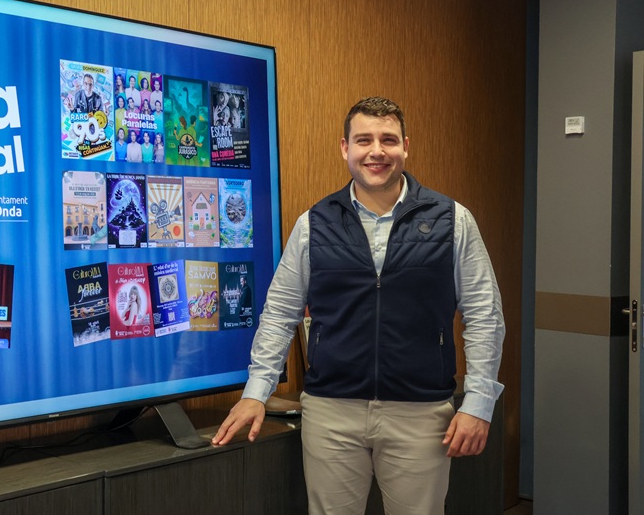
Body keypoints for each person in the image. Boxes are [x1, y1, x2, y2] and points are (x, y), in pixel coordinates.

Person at [211, 97, 505, 515]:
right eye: (364, 140)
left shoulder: (452, 220)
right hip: (331, 413)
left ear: (406, 147)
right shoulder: (314, 223)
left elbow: (484, 315)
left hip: (421, 413)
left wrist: (479, 403)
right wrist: (256, 393)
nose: (376, 151)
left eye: (388, 140)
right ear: (345, 148)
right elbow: (279, 314)